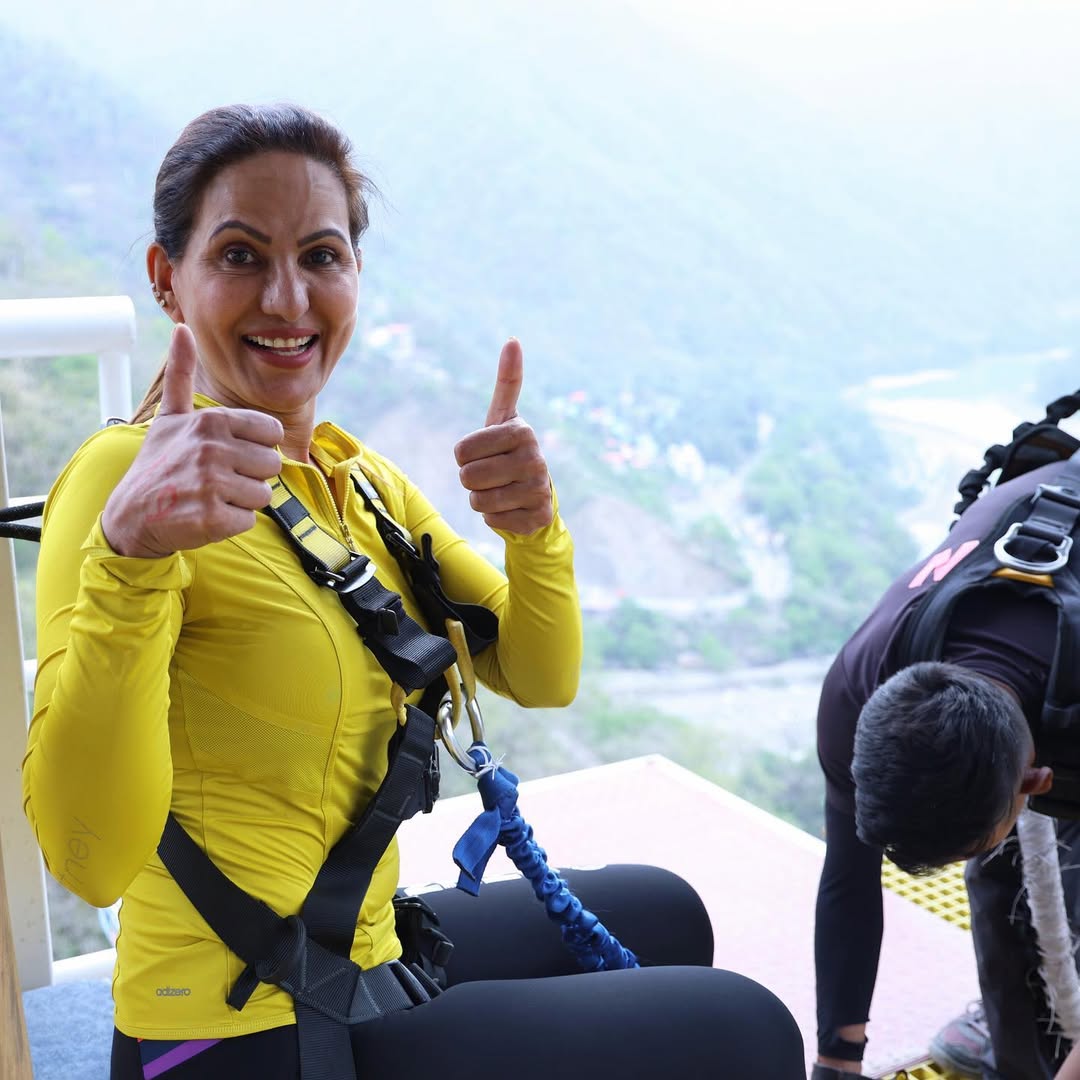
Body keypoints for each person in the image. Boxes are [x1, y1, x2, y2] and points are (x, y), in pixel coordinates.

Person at [21, 103, 805, 1080]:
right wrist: (131, 559)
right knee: (742, 1031)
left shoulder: (361, 486)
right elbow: (88, 857)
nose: (287, 297)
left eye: (320, 255)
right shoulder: (123, 483)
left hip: (354, 937)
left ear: (355, 275)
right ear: (165, 279)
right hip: (225, 1034)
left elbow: (537, 671)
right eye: (238, 255)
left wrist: (533, 533)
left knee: (665, 909)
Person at [811, 448, 1080, 1079]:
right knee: (1001, 874)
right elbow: (848, 881)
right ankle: (1013, 1039)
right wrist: (836, 1062)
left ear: (1040, 782)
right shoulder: (859, 690)